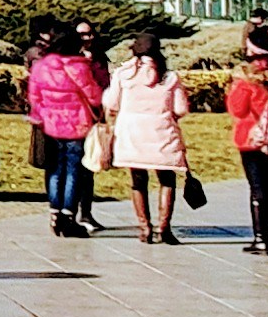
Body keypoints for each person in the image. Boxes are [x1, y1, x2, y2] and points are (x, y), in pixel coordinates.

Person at [98, 32, 187, 243]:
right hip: (162, 132)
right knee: (167, 179)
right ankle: (164, 226)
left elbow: (111, 103)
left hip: (131, 132)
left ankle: (144, 227)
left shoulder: (123, 74)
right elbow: (180, 108)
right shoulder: (169, 77)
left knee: (138, 181)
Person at [24, 17, 106, 237]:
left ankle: (54, 212)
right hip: (76, 126)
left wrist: (43, 115)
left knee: (54, 170)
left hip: (50, 125)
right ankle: (69, 215)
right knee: (73, 171)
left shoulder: (41, 67)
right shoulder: (79, 67)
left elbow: (34, 97)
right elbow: (95, 96)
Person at [228, 53, 268, 255]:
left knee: (258, 188)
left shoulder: (248, 84)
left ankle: (261, 237)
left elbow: (237, 110)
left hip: (252, 140)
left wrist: (238, 86)